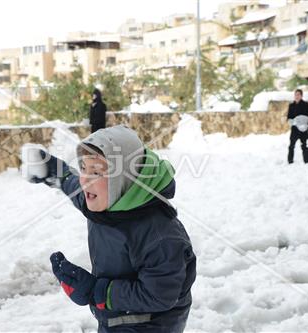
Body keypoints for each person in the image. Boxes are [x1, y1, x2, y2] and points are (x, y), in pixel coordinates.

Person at [22, 125, 196, 332]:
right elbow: (74, 185)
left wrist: (96, 291)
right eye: (84, 168)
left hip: (150, 326)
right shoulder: (105, 202)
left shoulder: (160, 235)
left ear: (123, 179)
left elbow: (159, 295)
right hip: (115, 320)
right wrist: (52, 170)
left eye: (96, 172)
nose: (85, 179)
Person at [287, 89, 308, 164]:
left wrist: (305, 125)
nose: (297, 96)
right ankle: (290, 161)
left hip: (303, 129)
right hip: (294, 129)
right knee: (291, 145)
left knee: (304, 145)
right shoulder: (291, 105)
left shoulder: (305, 104)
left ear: (301, 96)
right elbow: (289, 117)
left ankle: (306, 160)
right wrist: (292, 121)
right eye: (296, 94)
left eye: (298, 94)